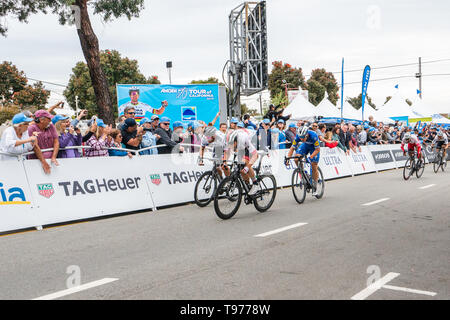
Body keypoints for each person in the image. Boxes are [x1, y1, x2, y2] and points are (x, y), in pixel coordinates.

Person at [285, 126, 321, 196]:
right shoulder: (298, 137)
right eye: (300, 137)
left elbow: (317, 150)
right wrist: (288, 158)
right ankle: (303, 172)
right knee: (296, 158)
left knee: (314, 165)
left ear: (307, 134)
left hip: (314, 148)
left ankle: (315, 186)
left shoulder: (314, 135)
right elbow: (292, 148)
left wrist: (310, 157)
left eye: (303, 137)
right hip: (305, 146)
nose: (301, 139)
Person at [224, 128, 259, 195]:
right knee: (240, 166)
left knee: (245, 163)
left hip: (252, 139)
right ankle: (247, 185)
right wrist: (224, 162)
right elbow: (226, 152)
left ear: (235, 142)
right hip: (241, 142)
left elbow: (255, 155)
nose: (230, 147)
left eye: (232, 145)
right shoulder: (227, 139)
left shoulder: (243, 139)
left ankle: (255, 183)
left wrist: (247, 167)